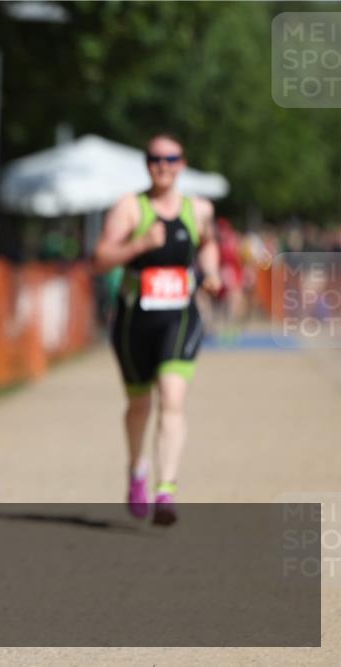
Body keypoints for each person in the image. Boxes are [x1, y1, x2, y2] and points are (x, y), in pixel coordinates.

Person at [93, 133, 221, 526]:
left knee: (172, 396)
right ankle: (137, 472)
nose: (162, 165)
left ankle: (167, 489)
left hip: (180, 316)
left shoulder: (198, 209)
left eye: (170, 158)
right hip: (135, 319)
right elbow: (100, 259)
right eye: (155, 159)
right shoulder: (130, 208)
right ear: (147, 164)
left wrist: (212, 271)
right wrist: (139, 244)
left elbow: (208, 243)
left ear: (182, 163)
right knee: (139, 405)